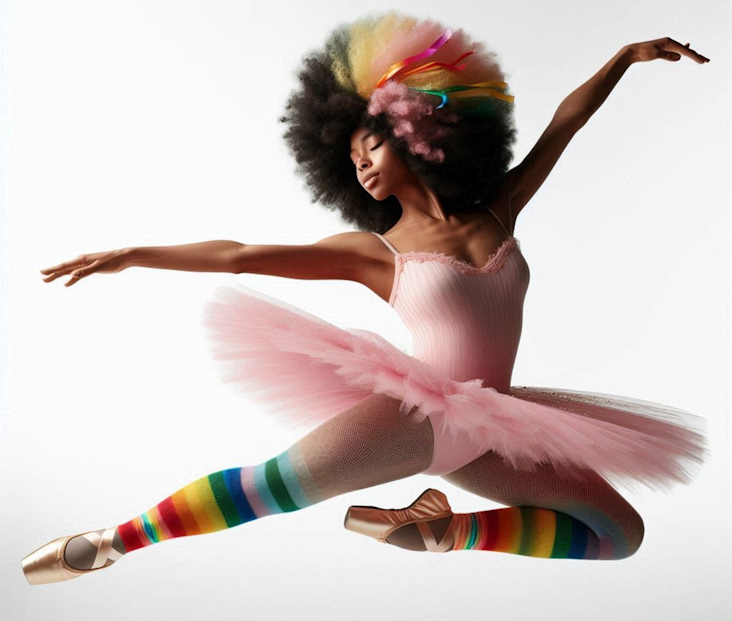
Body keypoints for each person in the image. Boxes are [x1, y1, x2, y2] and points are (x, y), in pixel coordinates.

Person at [22, 12, 711, 584]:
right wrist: (136, 253)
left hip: (495, 429)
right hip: (420, 414)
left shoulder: (499, 210)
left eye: (369, 146)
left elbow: (566, 124)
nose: (360, 164)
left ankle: (445, 530)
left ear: (413, 129)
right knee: (271, 488)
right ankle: (114, 542)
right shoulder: (377, 253)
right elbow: (239, 253)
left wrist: (624, 57)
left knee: (619, 534)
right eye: (351, 159)